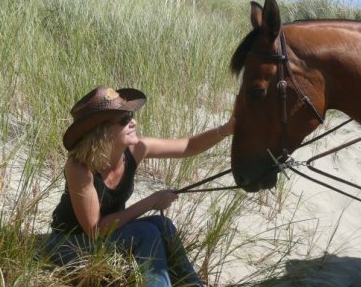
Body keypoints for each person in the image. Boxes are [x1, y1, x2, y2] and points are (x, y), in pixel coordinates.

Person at [45, 85, 234, 287]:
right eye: (124, 120)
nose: (133, 122)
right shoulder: (79, 167)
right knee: (146, 233)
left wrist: (227, 129)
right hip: (68, 244)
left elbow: (189, 146)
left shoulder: (136, 150)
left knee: (164, 226)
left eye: (131, 115)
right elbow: (94, 230)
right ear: (102, 131)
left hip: (109, 236)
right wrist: (151, 202)